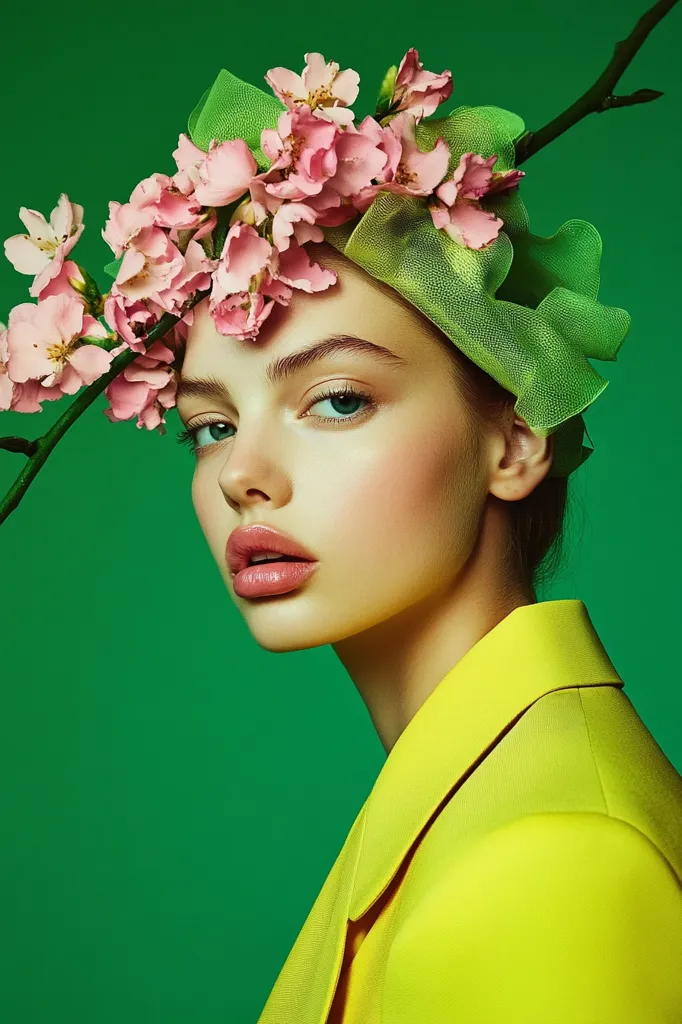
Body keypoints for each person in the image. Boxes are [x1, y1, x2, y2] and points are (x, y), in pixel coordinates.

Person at [2, 40, 681, 1024]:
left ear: (516, 437)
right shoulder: (468, 792)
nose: (241, 473)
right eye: (210, 425)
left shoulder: (552, 863)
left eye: (337, 399)